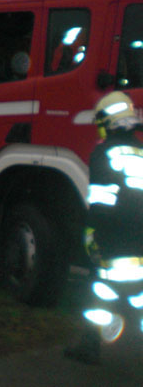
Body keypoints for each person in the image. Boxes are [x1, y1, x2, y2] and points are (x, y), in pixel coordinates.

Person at [65, 91, 143, 364]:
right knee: (139, 293)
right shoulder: (141, 151)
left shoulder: (102, 153)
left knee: (98, 289)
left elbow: (100, 201)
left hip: (113, 237)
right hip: (140, 238)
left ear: (107, 122)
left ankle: (89, 347)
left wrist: (90, 234)